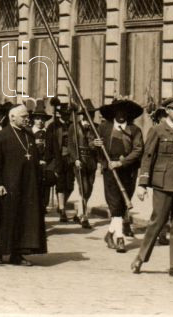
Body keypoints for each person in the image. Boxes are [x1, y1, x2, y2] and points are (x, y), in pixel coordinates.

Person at [131, 97, 173, 280]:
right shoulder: (157, 130)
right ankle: (140, 258)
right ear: (167, 111)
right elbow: (147, 157)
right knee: (157, 223)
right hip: (162, 184)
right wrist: (142, 184)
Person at [0, 104, 47, 265]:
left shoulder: (28, 135)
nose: (27, 119)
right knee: (5, 220)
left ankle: (17, 254)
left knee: (22, 220)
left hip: (27, 186)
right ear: (12, 117)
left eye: (27, 116)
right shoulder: (2, 136)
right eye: (23, 116)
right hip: (9, 186)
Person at [92, 97, 144, 253]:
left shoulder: (134, 130)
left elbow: (138, 150)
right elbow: (92, 145)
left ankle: (109, 234)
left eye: (124, 111)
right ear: (114, 112)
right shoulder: (104, 128)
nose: (121, 114)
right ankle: (120, 238)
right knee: (115, 203)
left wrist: (122, 163)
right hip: (110, 171)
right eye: (118, 111)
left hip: (128, 171)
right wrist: (95, 144)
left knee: (123, 204)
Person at [45, 99, 76, 221]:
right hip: (58, 158)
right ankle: (62, 209)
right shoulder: (53, 126)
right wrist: (50, 161)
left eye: (68, 114)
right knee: (61, 184)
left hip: (71, 158)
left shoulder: (73, 125)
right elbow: (49, 146)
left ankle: (60, 205)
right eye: (64, 114)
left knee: (70, 185)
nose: (66, 116)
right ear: (60, 114)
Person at [71, 99, 99, 230]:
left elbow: (99, 144)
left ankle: (78, 213)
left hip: (92, 161)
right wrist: (75, 159)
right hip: (80, 160)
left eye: (92, 114)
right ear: (82, 115)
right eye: (87, 114)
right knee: (84, 187)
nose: (90, 117)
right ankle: (84, 216)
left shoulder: (96, 128)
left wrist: (97, 145)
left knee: (90, 187)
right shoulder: (74, 126)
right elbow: (71, 145)